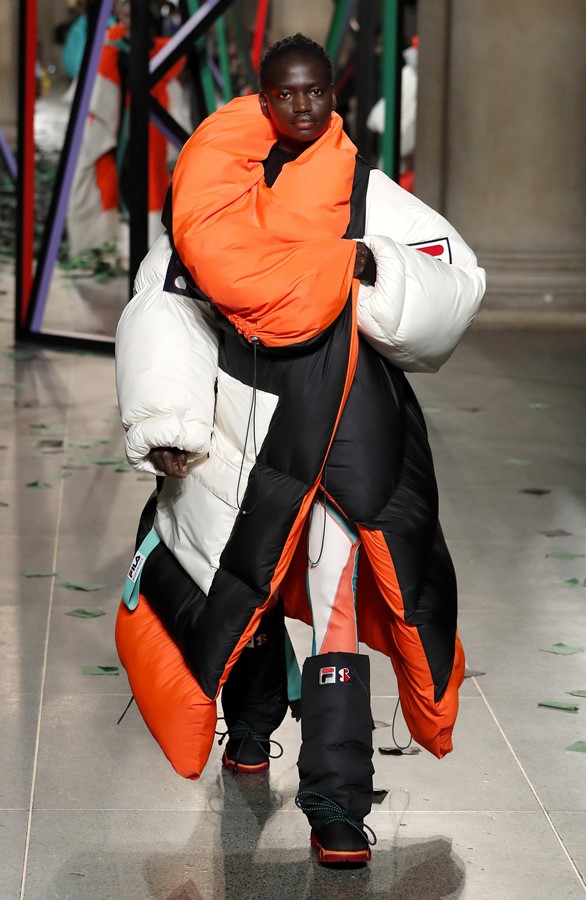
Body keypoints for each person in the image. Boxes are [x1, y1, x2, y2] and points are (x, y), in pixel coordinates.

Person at [115, 34, 486, 866]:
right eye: (290, 95)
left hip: (345, 433)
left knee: (338, 609)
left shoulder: (366, 191)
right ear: (263, 97)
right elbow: (164, 297)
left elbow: (453, 275)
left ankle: (337, 803)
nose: (308, 108)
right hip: (235, 431)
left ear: (332, 96)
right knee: (241, 584)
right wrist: (166, 419)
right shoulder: (215, 183)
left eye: (319, 93)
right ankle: (249, 726)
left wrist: (370, 266)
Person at [67, 0, 185, 258]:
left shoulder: (162, 48)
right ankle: (128, 243)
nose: (129, 9)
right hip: (119, 125)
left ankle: (152, 247)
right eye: (123, 3)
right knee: (123, 181)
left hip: (151, 128)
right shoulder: (109, 42)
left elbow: (170, 79)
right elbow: (96, 86)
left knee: (151, 182)